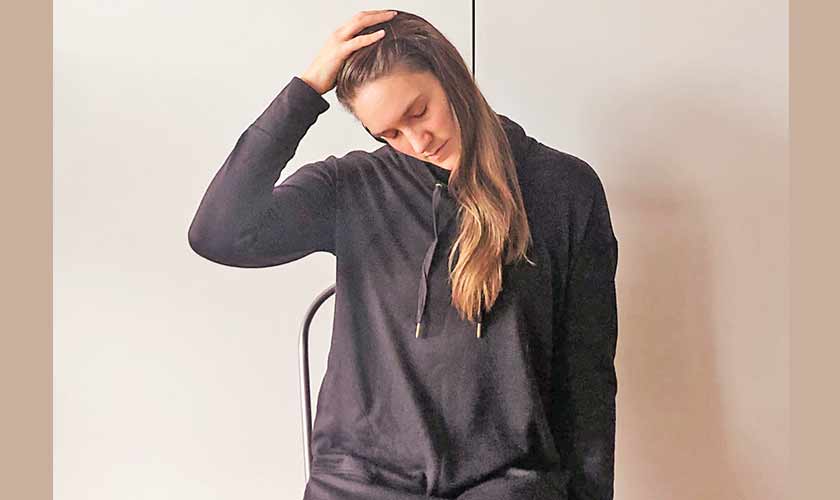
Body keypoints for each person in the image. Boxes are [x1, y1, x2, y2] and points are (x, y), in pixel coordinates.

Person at [188, 9, 619, 500]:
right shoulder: (351, 187)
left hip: (505, 484)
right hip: (359, 482)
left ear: (450, 74)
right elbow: (218, 233)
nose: (417, 141)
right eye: (389, 134)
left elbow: (586, 378)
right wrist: (305, 92)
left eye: (419, 112)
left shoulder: (563, 189)